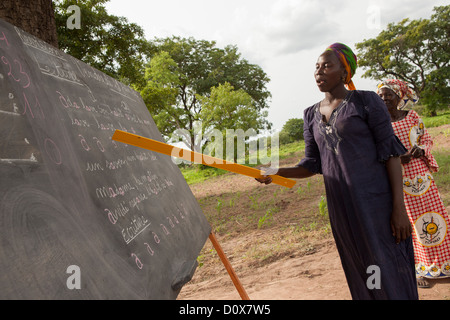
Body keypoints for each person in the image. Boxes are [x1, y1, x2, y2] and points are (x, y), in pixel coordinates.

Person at [257, 43, 418, 300]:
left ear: (344, 73)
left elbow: (392, 155)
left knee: (388, 263)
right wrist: (276, 172)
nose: (319, 72)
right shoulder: (310, 115)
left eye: (327, 66)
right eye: (317, 67)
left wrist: (399, 209)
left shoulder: (366, 102)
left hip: (377, 205)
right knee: (360, 266)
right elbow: (312, 164)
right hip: (342, 209)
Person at [377, 79, 450, 288]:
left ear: (400, 97)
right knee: (412, 226)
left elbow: (426, 139)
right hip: (399, 182)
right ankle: (422, 271)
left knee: (437, 219)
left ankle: (444, 266)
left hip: (421, 177)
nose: (384, 99)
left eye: (388, 94)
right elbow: (379, 153)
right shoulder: (380, 125)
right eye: (380, 96)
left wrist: (422, 150)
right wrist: (398, 159)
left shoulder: (412, 117)